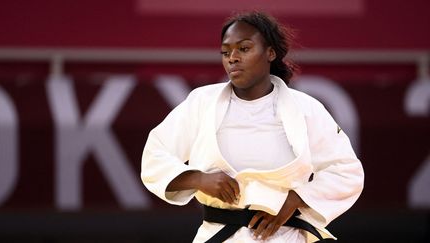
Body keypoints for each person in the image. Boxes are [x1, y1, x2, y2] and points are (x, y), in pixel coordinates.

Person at [141, 11, 364, 243]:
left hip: (287, 236)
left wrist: (297, 199)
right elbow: (155, 156)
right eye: (226, 52)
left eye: (244, 49)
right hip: (219, 234)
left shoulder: (306, 108)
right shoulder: (202, 103)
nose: (232, 58)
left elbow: (346, 170)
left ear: (270, 53)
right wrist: (198, 179)